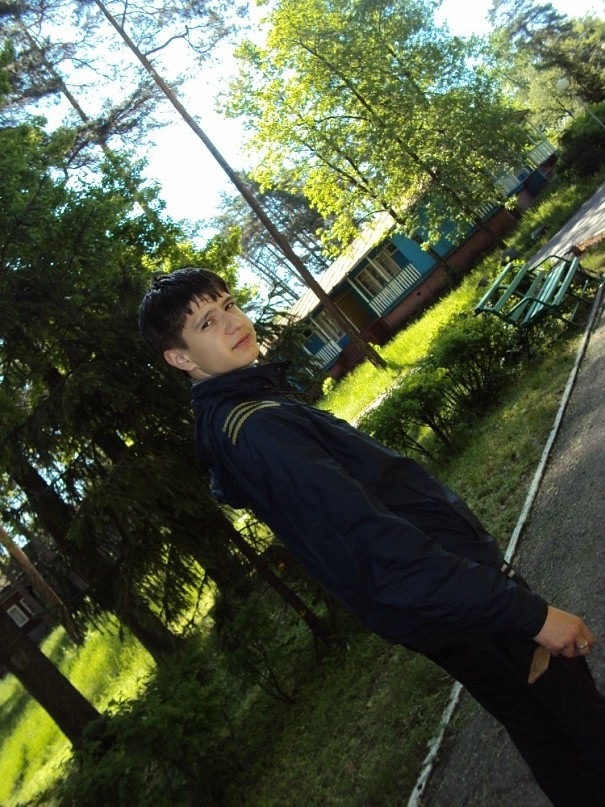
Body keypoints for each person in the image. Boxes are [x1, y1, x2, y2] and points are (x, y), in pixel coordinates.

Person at [139, 267, 605, 806]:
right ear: (181, 358)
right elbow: (377, 544)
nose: (232, 323)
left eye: (228, 304)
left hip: (439, 604)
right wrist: (527, 614)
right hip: (455, 600)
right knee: (578, 721)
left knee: (541, 727)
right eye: (206, 322)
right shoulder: (256, 429)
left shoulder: (242, 414)